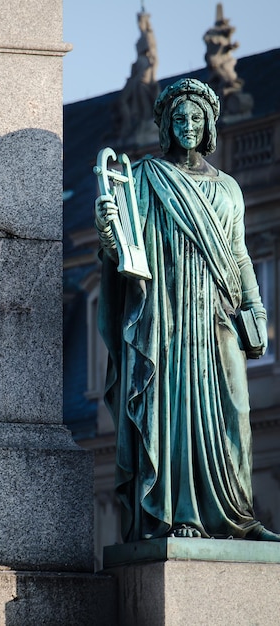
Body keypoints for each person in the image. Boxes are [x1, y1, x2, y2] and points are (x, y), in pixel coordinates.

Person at [95, 78, 280, 541]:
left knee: (234, 408)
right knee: (174, 410)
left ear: (210, 123)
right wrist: (106, 231)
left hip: (218, 312)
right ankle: (182, 516)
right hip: (168, 316)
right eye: (179, 117)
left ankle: (238, 516)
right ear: (166, 125)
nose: (188, 125)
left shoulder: (230, 189)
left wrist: (255, 310)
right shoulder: (145, 177)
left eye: (196, 117)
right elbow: (125, 246)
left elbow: (239, 255)